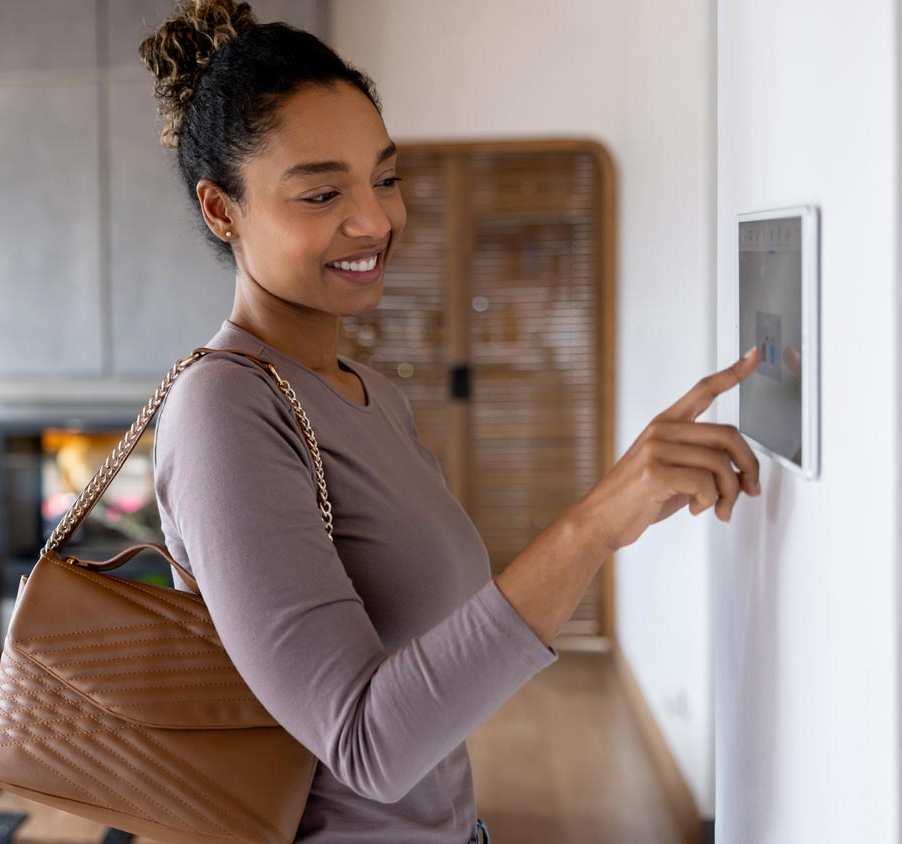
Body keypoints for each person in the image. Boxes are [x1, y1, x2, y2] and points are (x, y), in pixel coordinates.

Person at [139, 2, 763, 841]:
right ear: (223, 212)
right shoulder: (223, 410)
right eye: (323, 192)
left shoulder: (368, 392)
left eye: (385, 178)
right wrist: (591, 527)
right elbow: (367, 744)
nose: (375, 221)